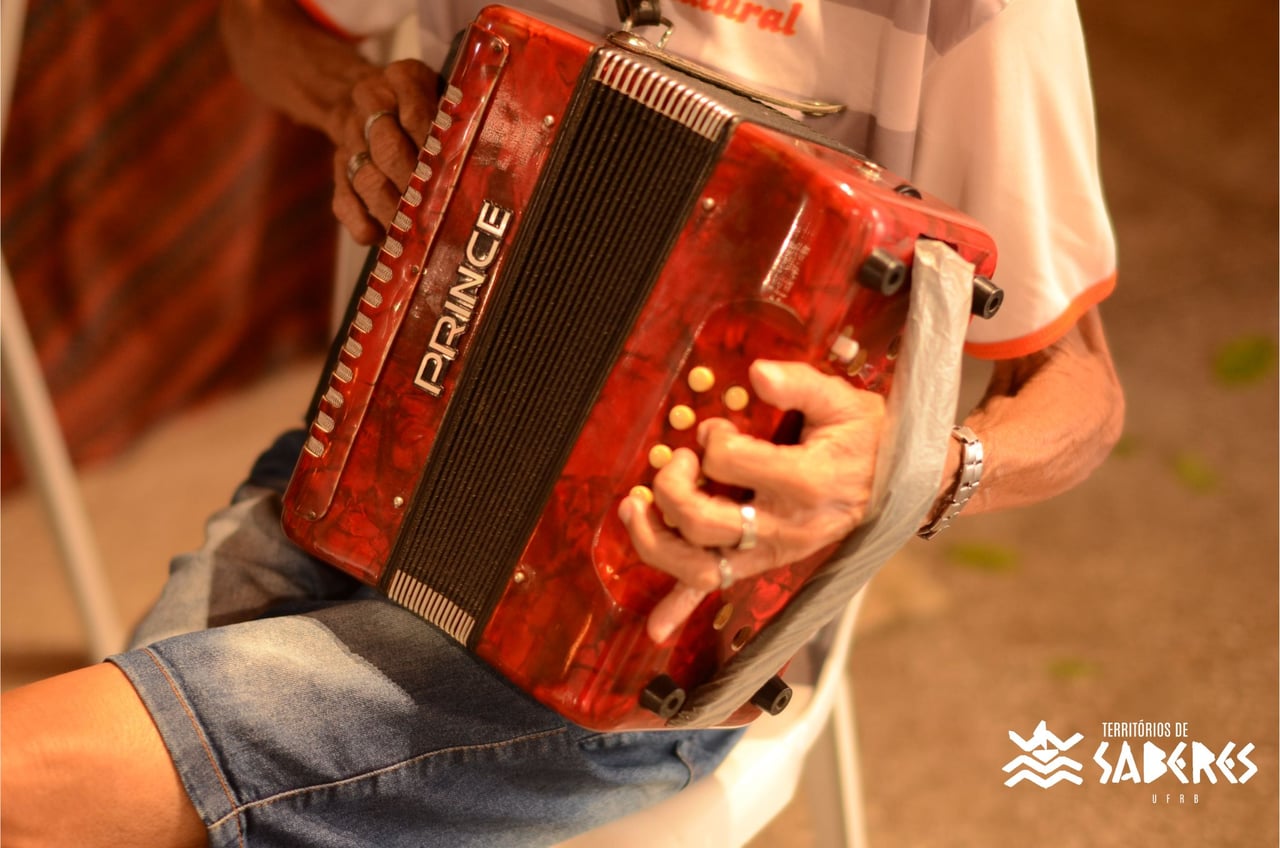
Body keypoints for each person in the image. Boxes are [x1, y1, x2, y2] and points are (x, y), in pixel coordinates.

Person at [0, 0, 1125, 845]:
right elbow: (258, 25)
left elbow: (1080, 394)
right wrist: (355, 102)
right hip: (367, 481)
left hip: (653, 625)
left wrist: (915, 470)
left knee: (55, 780)